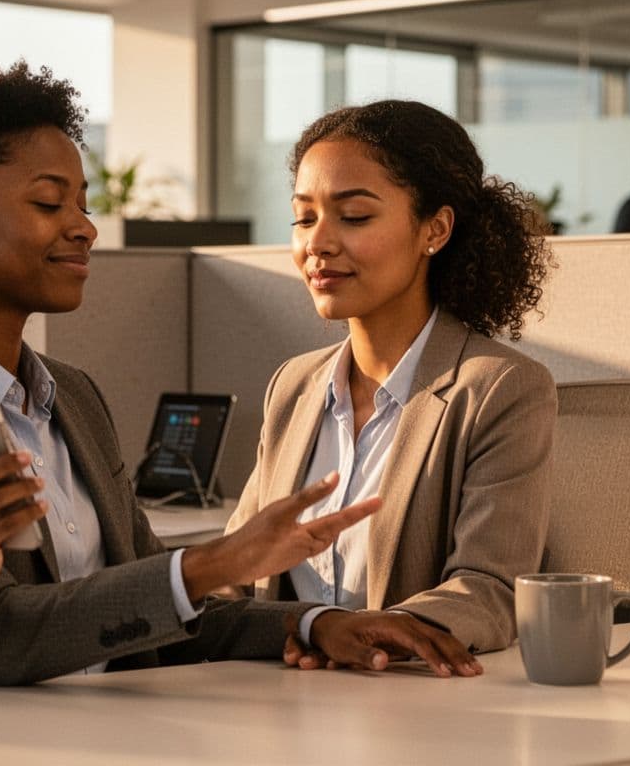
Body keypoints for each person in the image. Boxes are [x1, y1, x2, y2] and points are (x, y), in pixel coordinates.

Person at [0, 61, 481, 696]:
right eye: (49, 204)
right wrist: (218, 563)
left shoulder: (69, 396)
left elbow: (152, 612)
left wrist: (312, 624)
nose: (85, 227)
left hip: (111, 726)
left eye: (82, 202)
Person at [224, 100, 557, 660]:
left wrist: (371, 635)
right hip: (279, 701)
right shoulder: (294, 387)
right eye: (304, 217)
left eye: (353, 216)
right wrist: (311, 627)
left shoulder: (497, 389)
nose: (318, 243)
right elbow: (232, 572)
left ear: (435, 229)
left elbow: (490, 591)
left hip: (411, 710)